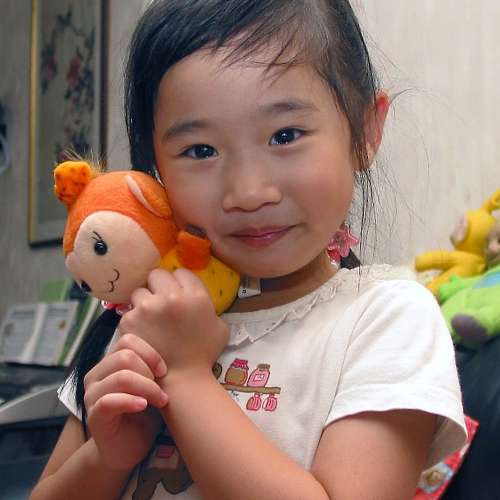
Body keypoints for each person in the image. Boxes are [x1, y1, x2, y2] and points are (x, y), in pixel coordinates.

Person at [30, 1, 467, 499]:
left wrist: (187, 378)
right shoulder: (147, 314)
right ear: (154, 168)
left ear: (365, 133)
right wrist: (107, 458)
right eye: (200, 150)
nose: (248, 192)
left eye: (285, 136)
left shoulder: (386, 320)